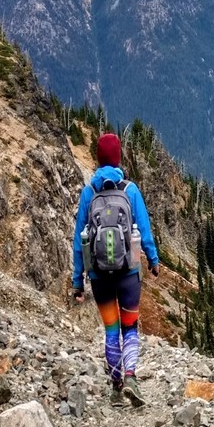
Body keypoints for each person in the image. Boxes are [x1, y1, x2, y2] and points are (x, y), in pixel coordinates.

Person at [72, 132, 160, 407]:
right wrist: (154, 260)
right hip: (128, 272)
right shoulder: (130, 190)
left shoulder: (89, 193)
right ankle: (131, 376)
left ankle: (116, 387)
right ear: (118, 157)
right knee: (129, 327)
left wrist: (78, 280)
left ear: (97, 159)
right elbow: (144, 232)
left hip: (99, 275)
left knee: (111, 329)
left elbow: (79, 241)